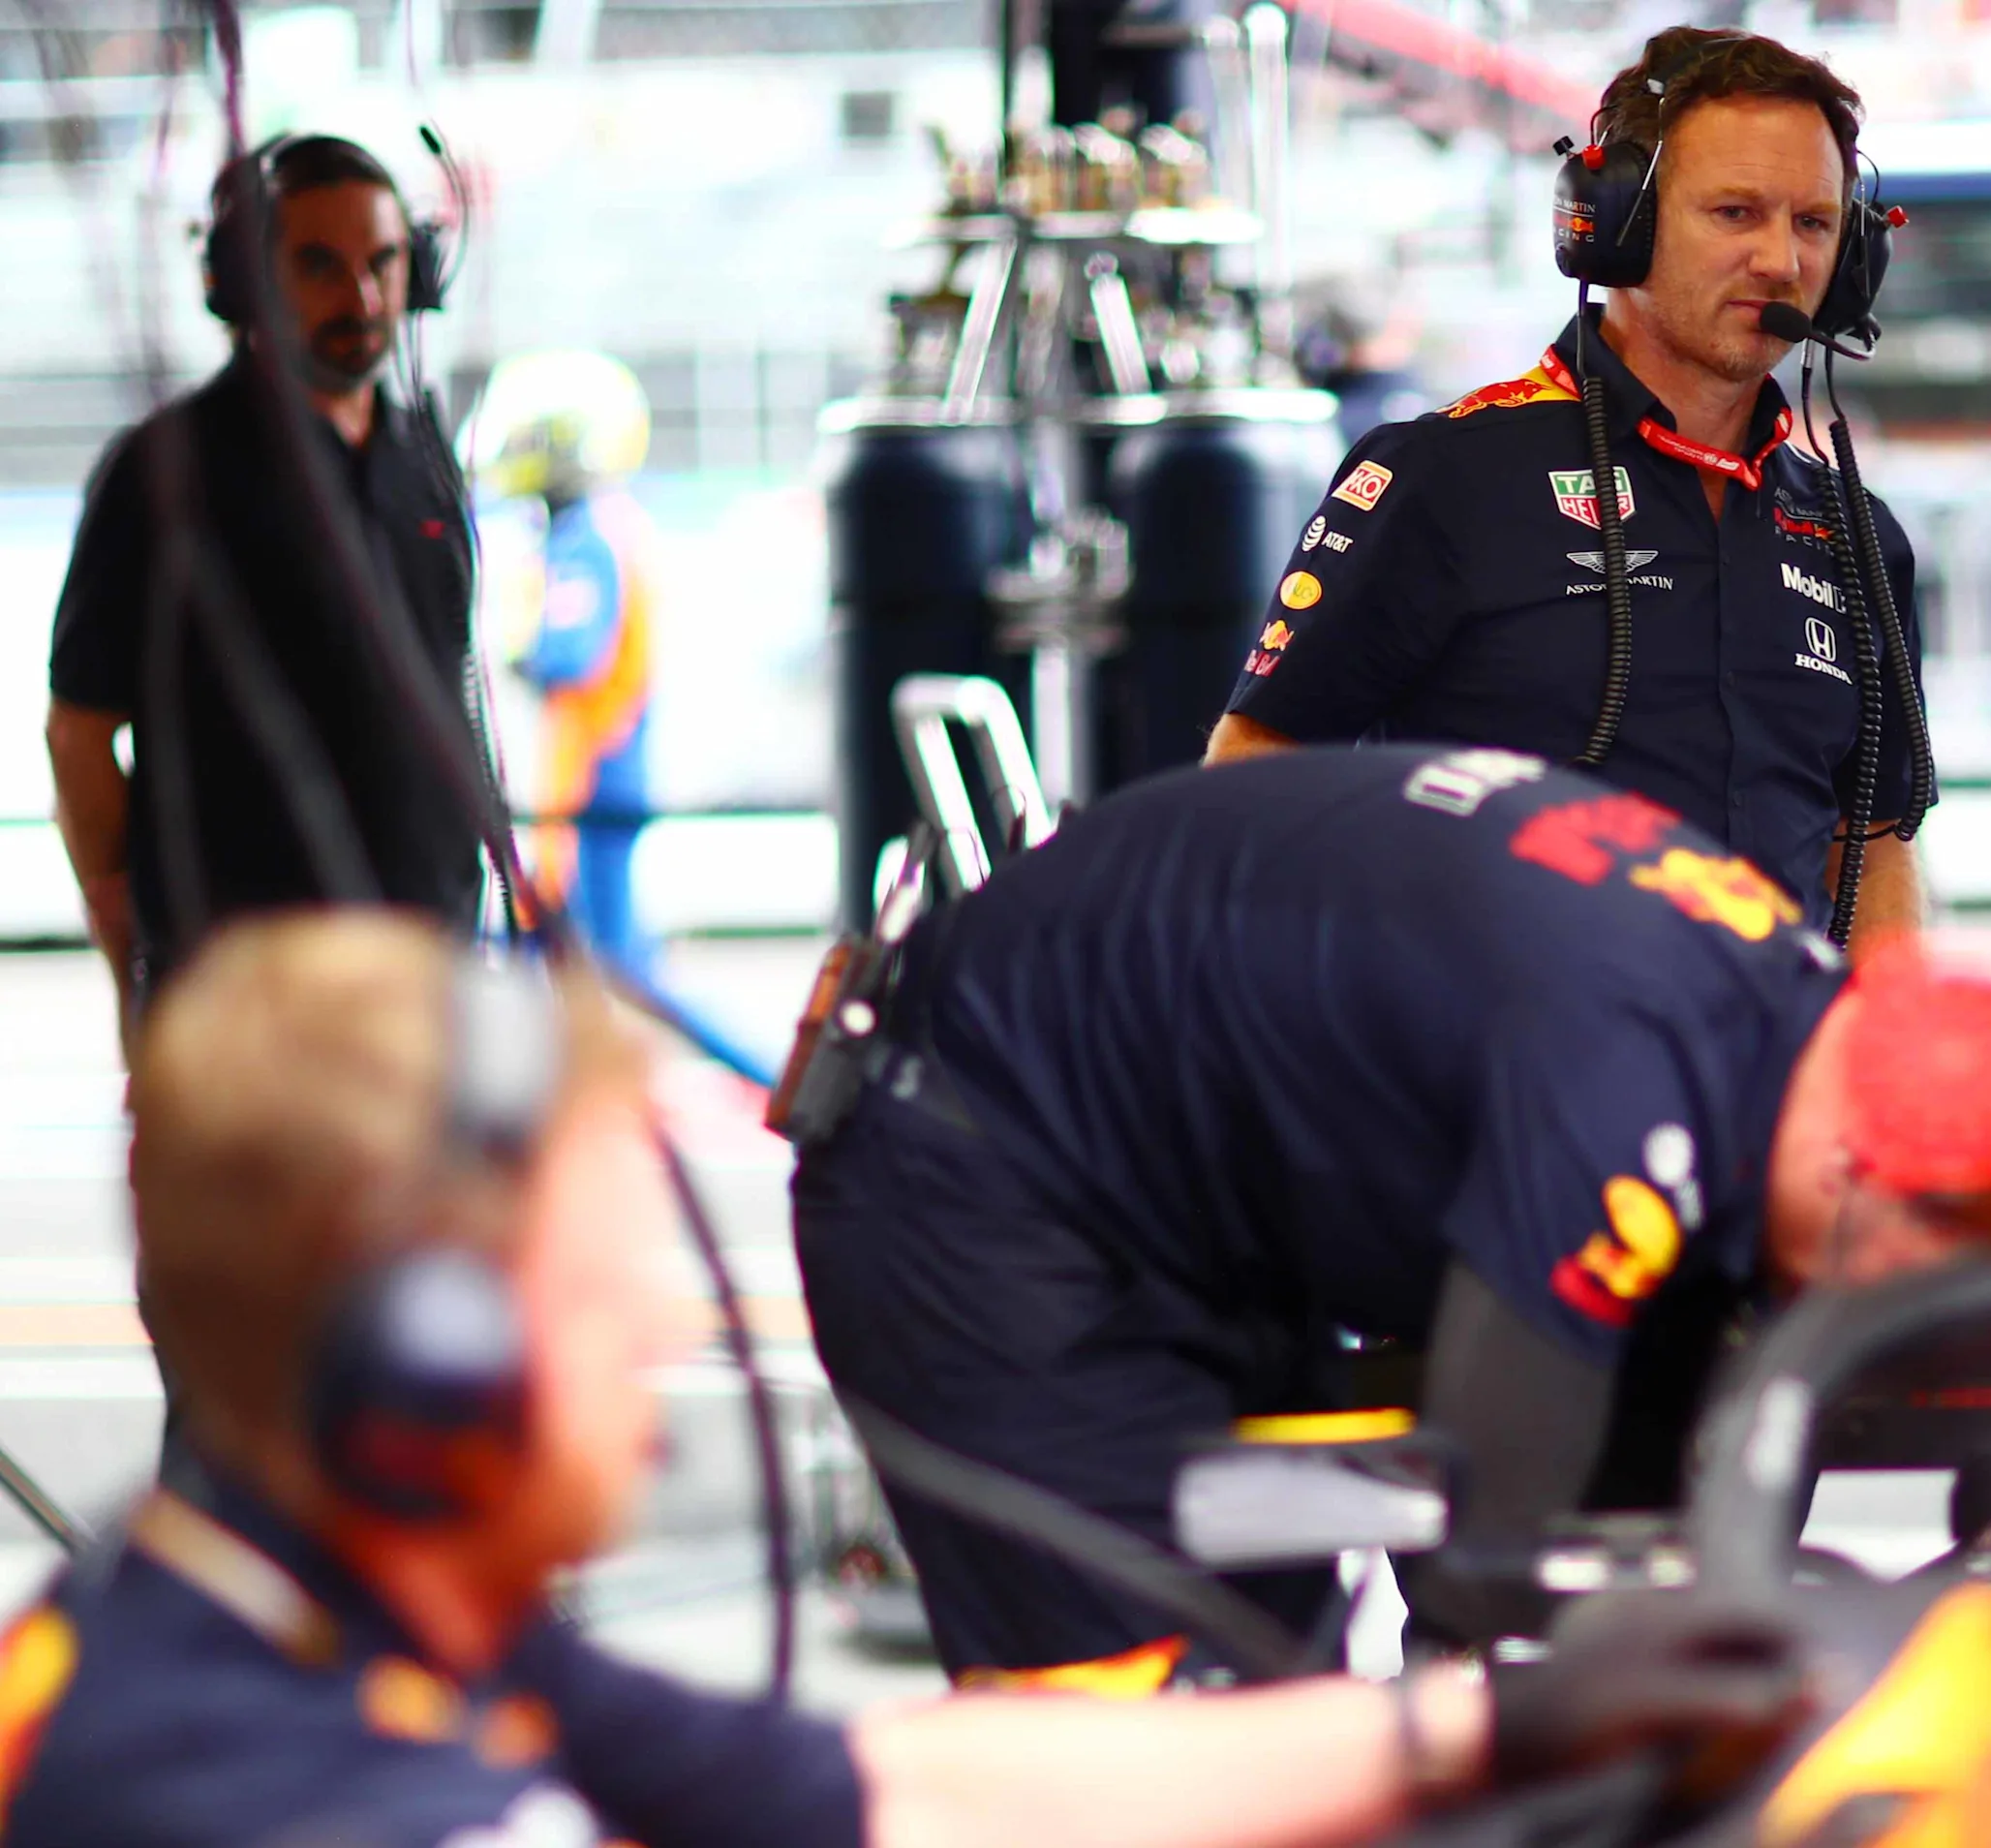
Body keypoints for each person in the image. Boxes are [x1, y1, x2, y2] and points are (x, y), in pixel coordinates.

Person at [0, 910, 1803, 1846]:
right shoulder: (251, 1788)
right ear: (429, 1344)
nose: (669, 1324)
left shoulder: (328, 1612)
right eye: (610, 1272)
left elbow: (908, 1795)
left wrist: (1482, 1723)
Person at [790, 745, 1991, 1679]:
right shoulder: (1627, 1108)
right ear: (1854, 1177)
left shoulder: (1773, 1000)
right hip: (979, 1182)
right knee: (1134, 1751)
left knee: (1278, 1724)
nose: (1890, 1321)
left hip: (1183, 1206)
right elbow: (1497, 1545)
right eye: (1912, 1281)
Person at [1207, 28, 1933, 946]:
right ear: (1617, 220)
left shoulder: (1855, 533)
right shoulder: (1442, 478)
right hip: (1495, 1072)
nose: (1782, 262)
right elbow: (1253, 783)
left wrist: (1896, 1062)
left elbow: (1872, 843)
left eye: (1815, 223)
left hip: (1772, 1070)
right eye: (1736, 214)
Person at [44, 135, 484, 1035]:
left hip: (425, 977)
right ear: (243, 281)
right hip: (241, 993)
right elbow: (81, 733)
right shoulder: (163, 471)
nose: (361, 298)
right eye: (319, 265)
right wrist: (130, 942)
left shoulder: (427, 463)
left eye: (384, 262)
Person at [473, 350, 660, 973]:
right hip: (593, 767)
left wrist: (521, 644)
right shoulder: (592, 528)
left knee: (608, 959)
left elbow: (568, 655)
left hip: (594, 771)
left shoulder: (588, 539)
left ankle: (761, 1069)